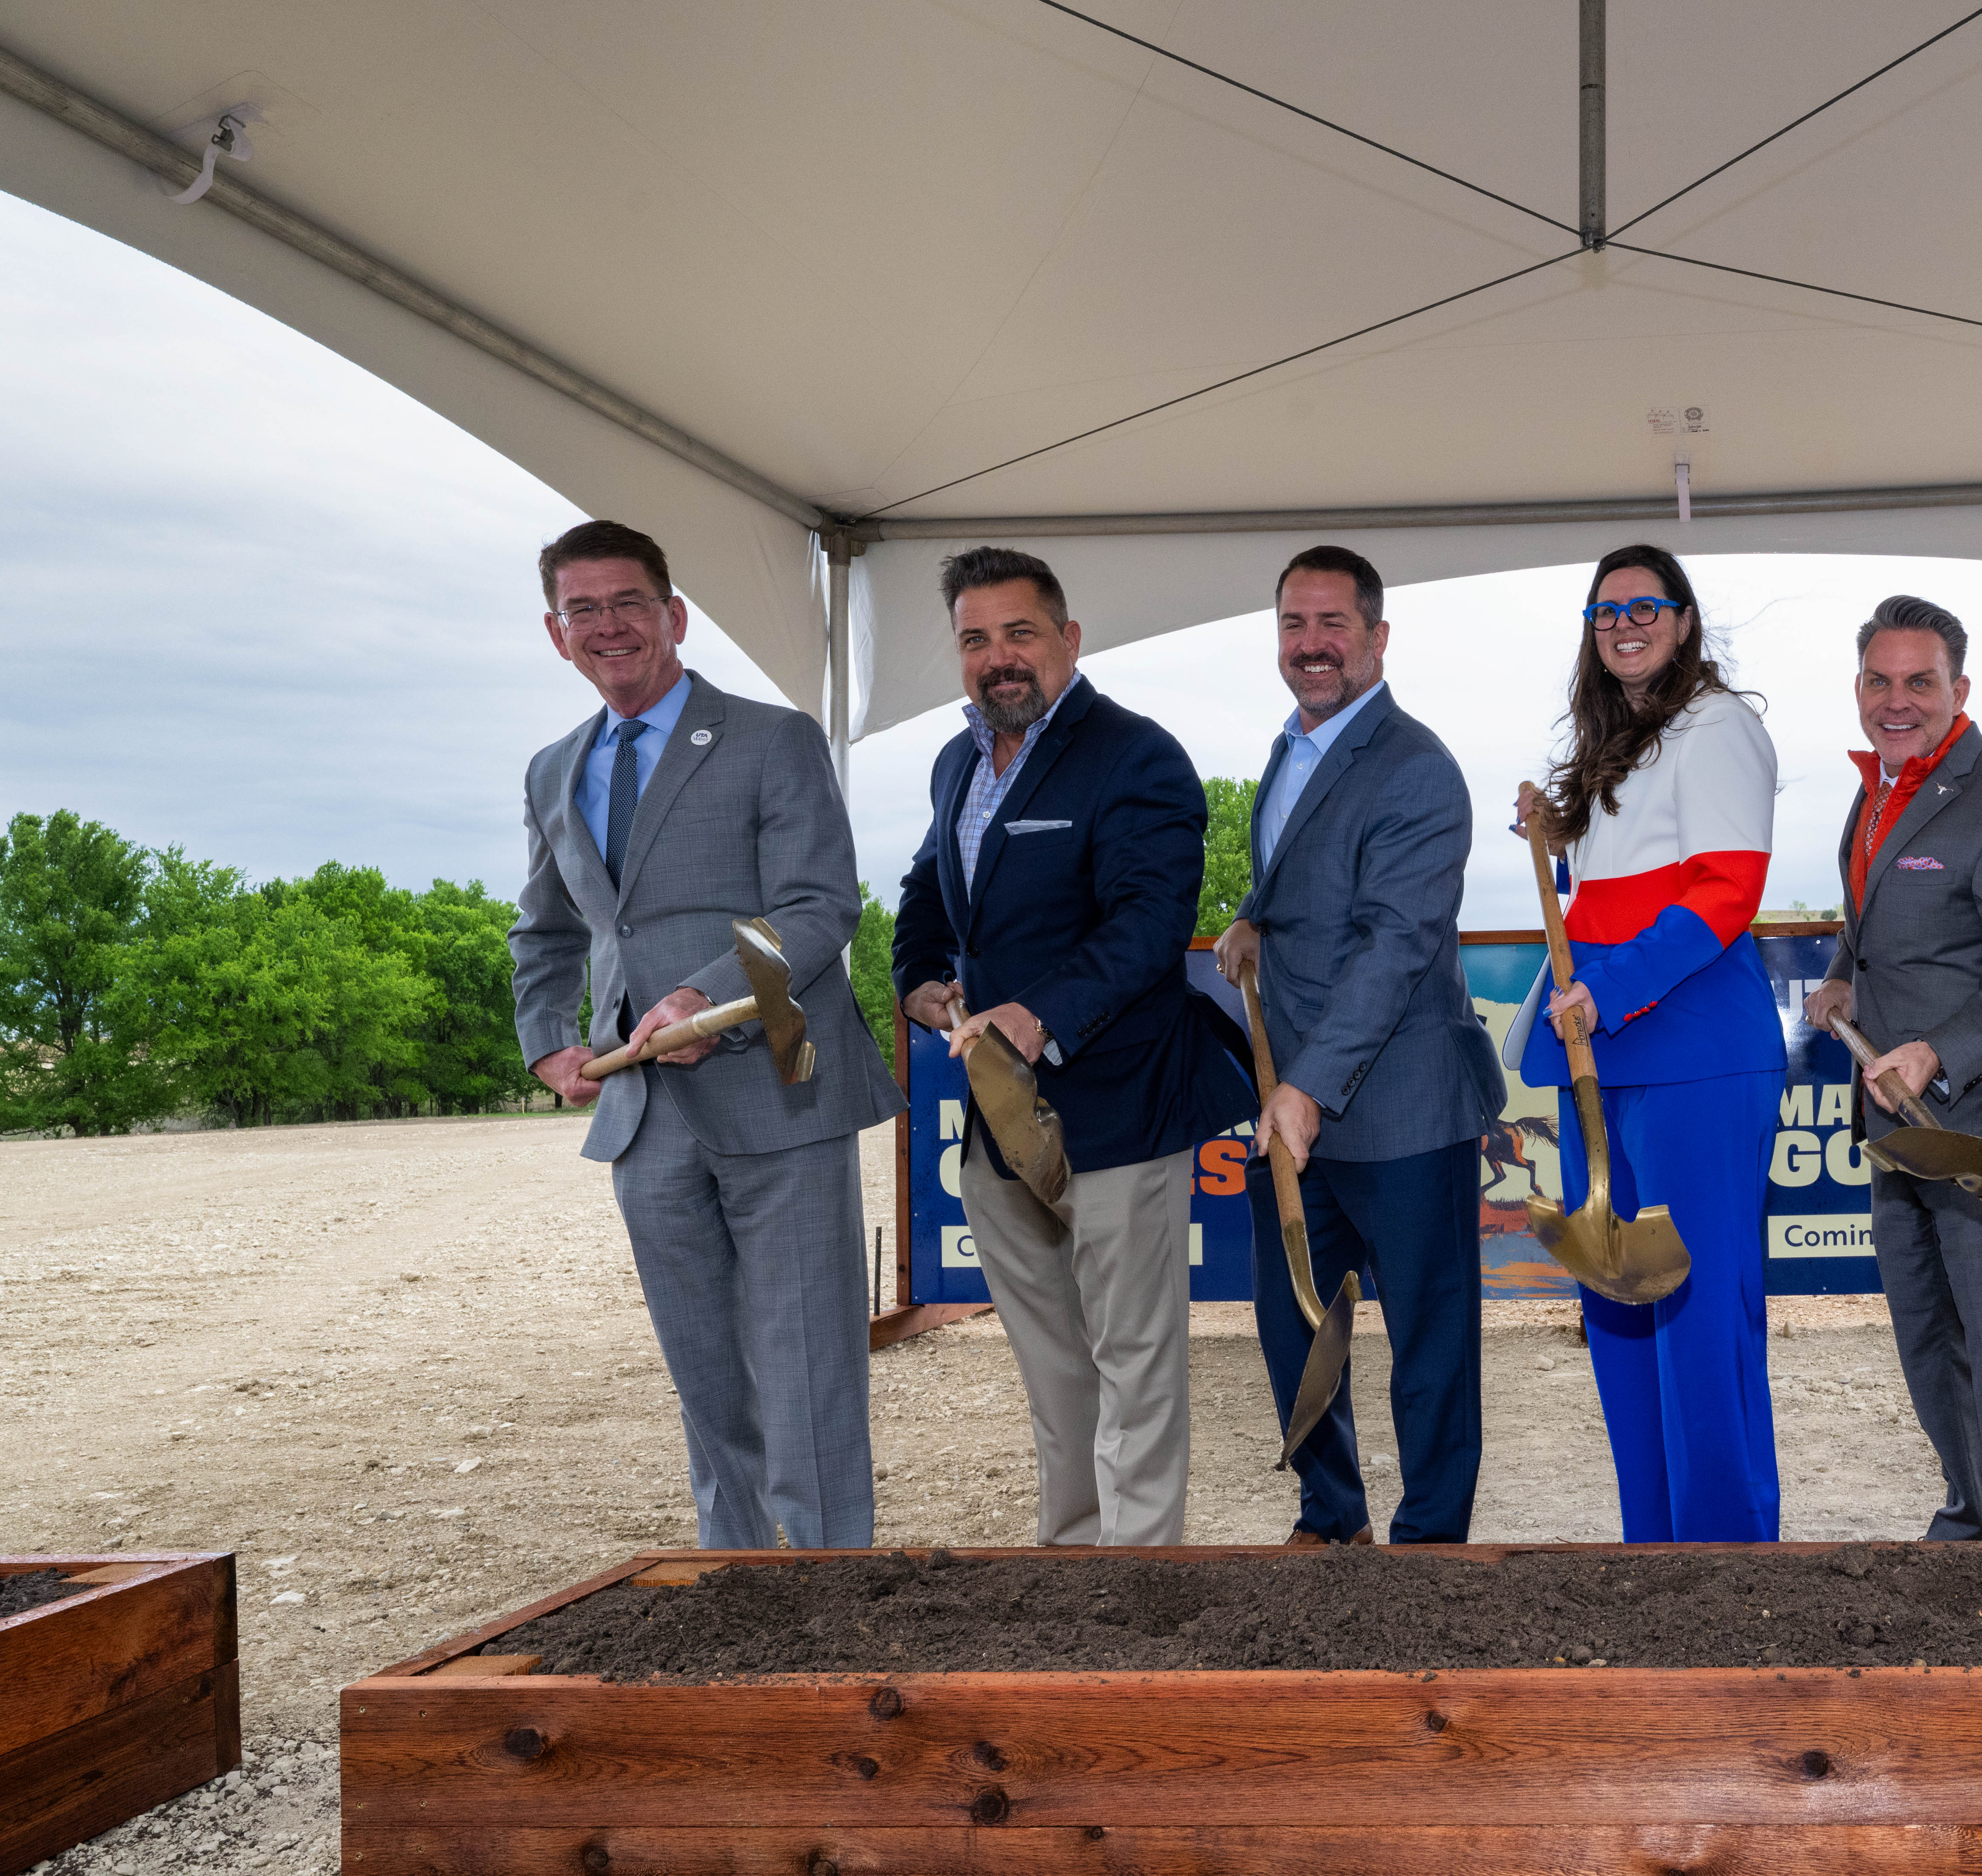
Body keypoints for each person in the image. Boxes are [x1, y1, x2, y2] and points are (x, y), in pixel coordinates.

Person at [509, 517, 902, 1550]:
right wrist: (549, 1036)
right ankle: (741, 1589)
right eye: (582, 610)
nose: (609, 626)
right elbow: (550, 927)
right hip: (645, 1119)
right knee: (703, 1373)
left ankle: (828, 1593)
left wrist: (704, 996)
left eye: (629, 602)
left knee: (807, 1363)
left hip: (781, 1092)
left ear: (674, 615)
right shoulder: (553, 770)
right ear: (557, 635)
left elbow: (820, 909)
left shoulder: (773, 739)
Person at [892, 547, 1257, 1549]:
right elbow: (927, 889)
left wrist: (1036, 1012)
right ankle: (1073, 1570)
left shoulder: (1137, 754)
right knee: (1055, 1370)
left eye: (1020, 633)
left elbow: (1149, 920)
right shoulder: (956, 761)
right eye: (976, 638)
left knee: (1135, 1362)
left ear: (1069, 640)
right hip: (998, 1126)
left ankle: (1137, 1589)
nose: (998, 657)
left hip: (1121, 1109)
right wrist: (916, 976)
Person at [1212, 545, 1504, 1546]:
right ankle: (1330, 1516)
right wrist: (1253, 915)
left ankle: (1429, 1543)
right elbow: (1308, 875)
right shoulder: (1292, 748)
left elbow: (1393, 945)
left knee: (1429, 1345)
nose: (1312, 644)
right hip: (1298, 1108)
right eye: (1294, 625)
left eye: (1333, 624)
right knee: (1289, 1327)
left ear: (1377, 637)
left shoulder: (1417, 768)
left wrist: (1304, 1089)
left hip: (1401, 1109)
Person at [1514, 544, 1782, 1543]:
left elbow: (1722, 892)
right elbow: (1618, 888)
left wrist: (1609, 988)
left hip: (1694, 1054)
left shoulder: (1718, 726)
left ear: (1681, 619)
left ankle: (1723, 1561)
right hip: (1610, 1053)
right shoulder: (1620, 739)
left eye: (1644, 605)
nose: (1622, 622)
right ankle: (1654, 1554)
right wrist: (1555, 835)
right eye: (1603, 610)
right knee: (1622, 1318)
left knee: (1700, 1319)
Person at [1801, 595, 1982, 1540]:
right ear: (1857, 689)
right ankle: (1970, 1519)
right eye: (1879, 680)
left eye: (1919, 681)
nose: (1897, 700)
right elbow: (1873, 925)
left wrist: (1935, 1050)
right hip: (1899, 1129)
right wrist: (1842, 977)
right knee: (1927, 1342)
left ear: (1958, 688)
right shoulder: (1876, 787)